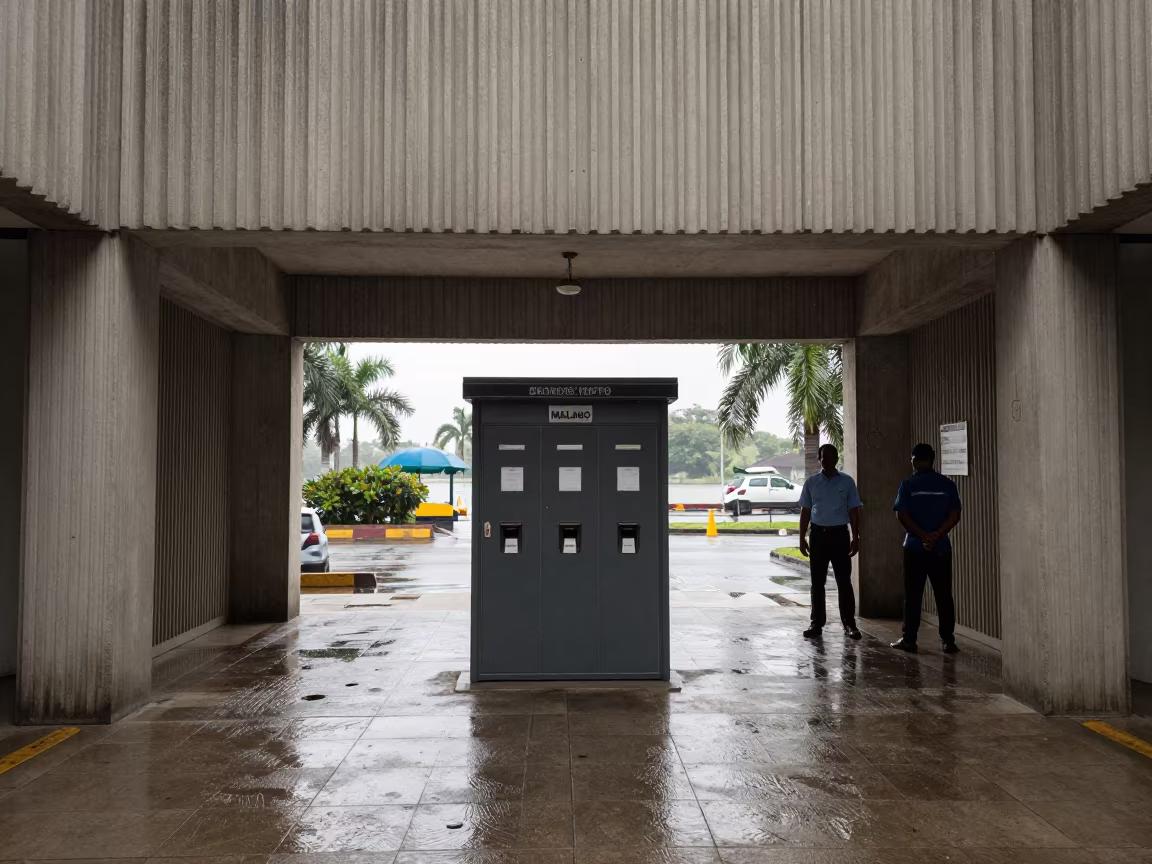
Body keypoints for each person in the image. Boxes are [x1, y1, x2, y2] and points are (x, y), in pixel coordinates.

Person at [890, 443, 962, 654]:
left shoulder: (908, 485)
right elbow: (954, 515)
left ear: (913, 460)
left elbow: (901, 515)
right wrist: (936, 535)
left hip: (914, 547)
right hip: (941, 548)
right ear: (932, 459)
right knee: (944, 595)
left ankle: (909, 640)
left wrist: (922, 535)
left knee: (913, 595)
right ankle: (948, 641)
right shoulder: (947, 485)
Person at [798, 443, 862, 640]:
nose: (826, 460)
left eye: (830, 457)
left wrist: (855, 537)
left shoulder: (847, 482)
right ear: (819, 459)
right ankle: (816, 623)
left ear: (836, 459)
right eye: (823, 457)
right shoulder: (811, 483)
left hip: (840, 536)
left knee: (844, 581)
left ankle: (849, 624)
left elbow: (854, 511)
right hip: (818, 536)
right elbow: (805, 511)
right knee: (817, 582)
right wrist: (801, 537)